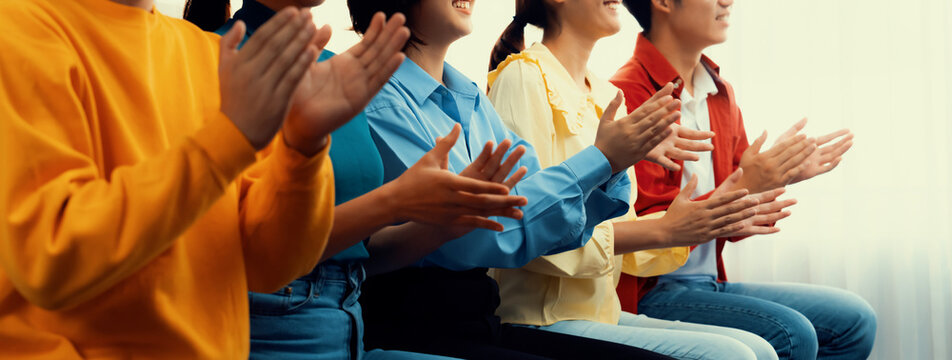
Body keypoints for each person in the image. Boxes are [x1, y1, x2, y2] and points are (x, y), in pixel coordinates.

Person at [0, 0, 406, 358]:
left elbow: (269, 265)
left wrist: (303, 146)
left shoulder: (208, 52)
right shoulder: (19, 27)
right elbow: (52, 254)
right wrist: (229, 137)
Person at [183, 0, 533, 359]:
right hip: (275, 334)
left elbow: (362, 256)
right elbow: (245, 250)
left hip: (352, 327)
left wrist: (444, 221)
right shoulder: (208, 61)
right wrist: (395, 201)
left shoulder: (337, 70)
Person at [346, 0, 687, 358]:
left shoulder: (471, 96)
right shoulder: (379, 99)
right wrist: (603, 160)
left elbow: (538, 214)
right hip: (415, 325)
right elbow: (489, 233)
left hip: (478, 319)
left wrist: (611, 163)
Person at [485, 0, 802, 358]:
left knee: (758, 349)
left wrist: (696, 223)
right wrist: (666, 230)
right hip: (539, 320)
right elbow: (522, 230)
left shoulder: (605, 95)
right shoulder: (522, 77)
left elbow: (625, 240)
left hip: (604, 315)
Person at [610, 0, 876, 359]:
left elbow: (733, 225)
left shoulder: (720, 93)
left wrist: (776, 176)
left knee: (855, 319)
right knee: (792, 334)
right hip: (648, 292)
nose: (727, 1)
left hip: (707, 283)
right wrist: (747, 183)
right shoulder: (627, 95)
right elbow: (644, 238)